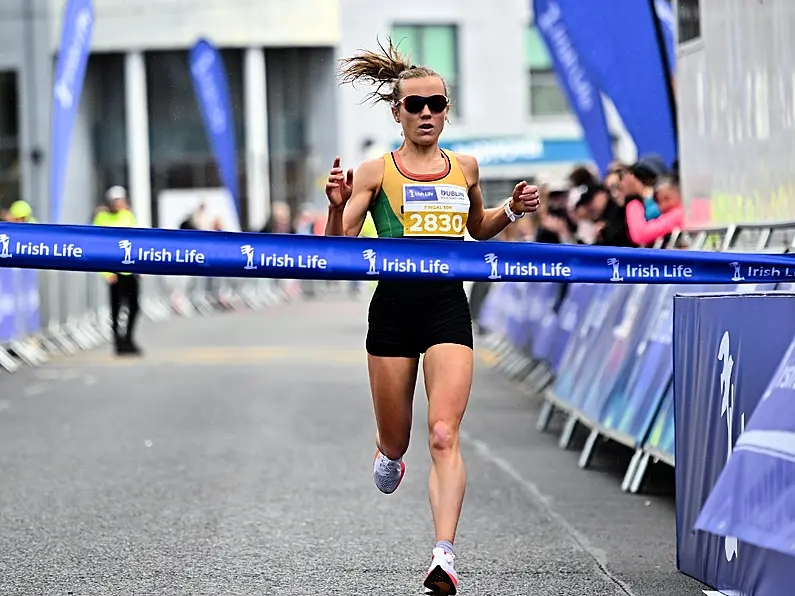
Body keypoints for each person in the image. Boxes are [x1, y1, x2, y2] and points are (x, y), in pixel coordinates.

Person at [323, 38, 540, 595]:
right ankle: (387, 450)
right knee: (398, 444)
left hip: (447, 306)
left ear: (447, 110)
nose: (426, 114)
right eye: (415, 105)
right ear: (396, 111)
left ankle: (444, 555)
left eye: (436, 104)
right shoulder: (376, 172)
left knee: (444, 434)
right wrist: (334, 204)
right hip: (392, 312)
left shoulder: (464, 166)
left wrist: (511, 209)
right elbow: (335, 251)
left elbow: (477, 229)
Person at [92, 186, 142, 356]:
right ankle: (118, 342)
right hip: (114, 271)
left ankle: (128, 338)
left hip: (130, 270)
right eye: (116, 201)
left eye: (121, 200)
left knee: (134, 307)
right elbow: (97, 245)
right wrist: (106, 272)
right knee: (116, 309)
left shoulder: (128, 216)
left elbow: (136, 241)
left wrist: (141, 265)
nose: (119, 204)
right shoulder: (101, 218)